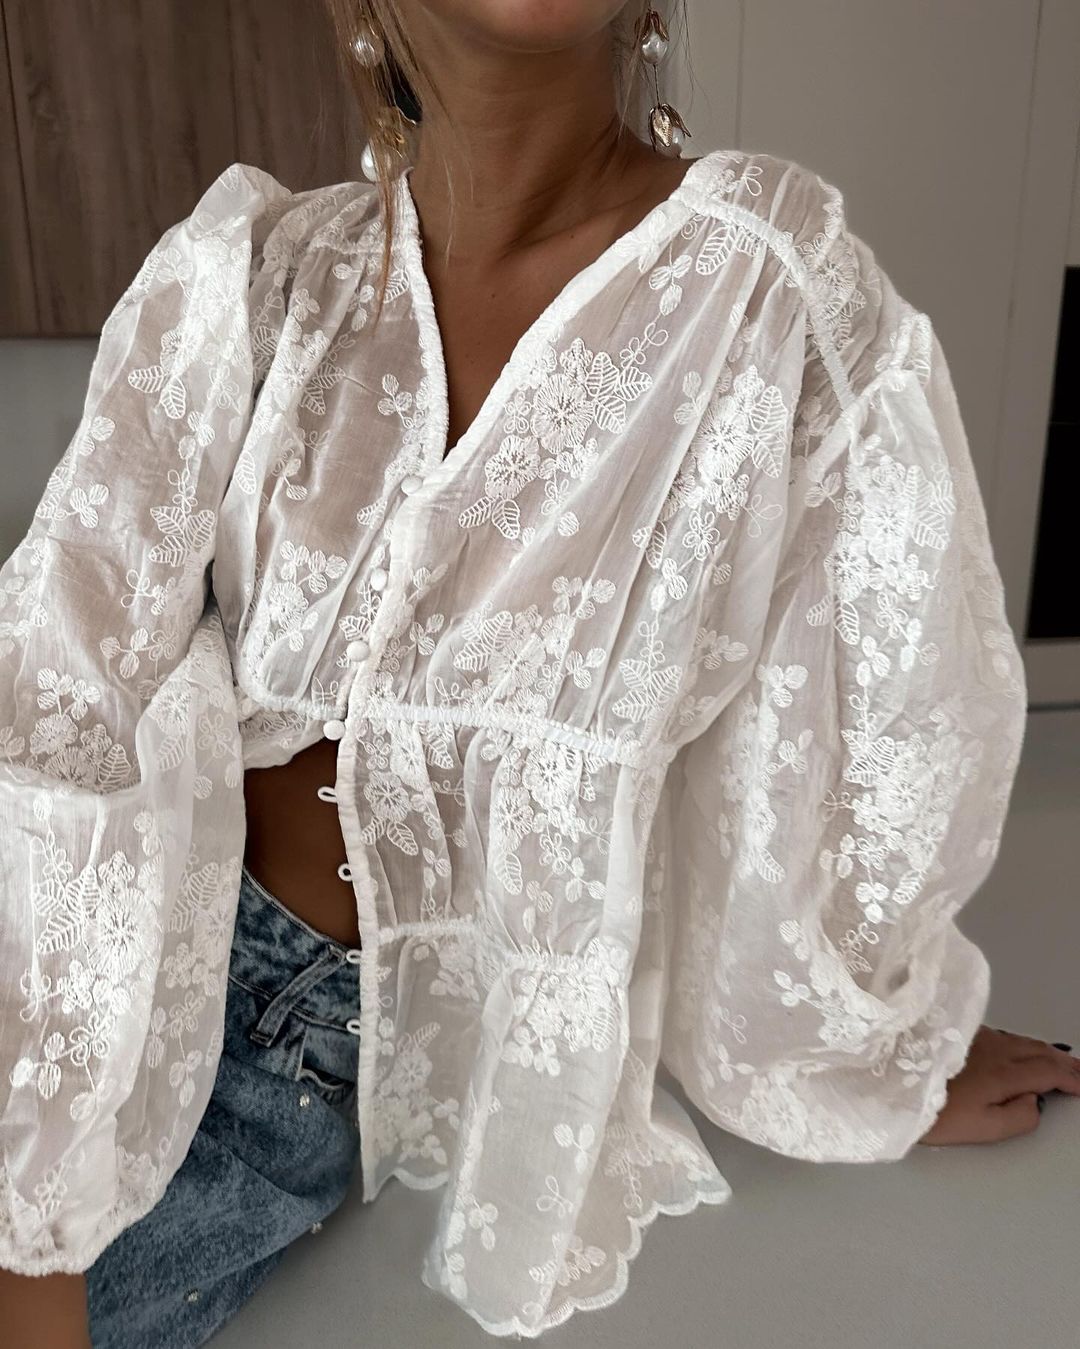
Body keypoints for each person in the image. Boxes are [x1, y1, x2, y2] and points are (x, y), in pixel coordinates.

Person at [2, 2, 1078, 1345]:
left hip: (269, 1075)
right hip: (82, 994)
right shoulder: (253, 275)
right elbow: (50, 706)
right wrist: (26, 1205)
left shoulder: (772, 295)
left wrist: (869, 1045)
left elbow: (866, 732)